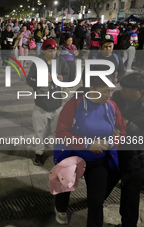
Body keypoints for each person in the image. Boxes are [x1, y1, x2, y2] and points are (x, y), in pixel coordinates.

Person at [54, 75, 126, 227]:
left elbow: (122, 129)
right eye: (106, 91)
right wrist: (88, 144)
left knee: (96, 201)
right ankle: (60, 208)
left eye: (112, 91)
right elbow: (62, 133)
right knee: (65, 188)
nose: (109, 95)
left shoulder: (111, 106)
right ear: (92, 88)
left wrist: (111, 142)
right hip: (72, 156)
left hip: (98, 161)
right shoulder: (73, 105)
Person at [26, 39, 69, 166]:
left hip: (57, 103)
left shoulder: (61, 61)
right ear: (44, 50)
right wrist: (42, 79)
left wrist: (63, 78)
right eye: (50, 51)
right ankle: (39, 153)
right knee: (39, 130)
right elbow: (30, 80)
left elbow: (67, 74)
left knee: (57, 130)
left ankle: (58, 153)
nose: (53, 53)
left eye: (55, 50)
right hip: (41, 103)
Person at [111, 73, 144, 227]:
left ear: (136, 93)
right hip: (115, 152)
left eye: (125, 89)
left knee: (130, 196)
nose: (120, 90)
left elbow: (132, 130)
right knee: (102, 187)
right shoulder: (119, 96)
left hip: (135, 159)